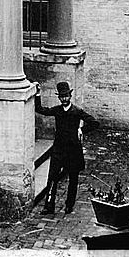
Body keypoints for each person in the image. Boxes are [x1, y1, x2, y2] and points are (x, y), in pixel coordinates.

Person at [35, 81, 95, 214]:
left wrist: (81, 130)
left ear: (70, 96)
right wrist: (38, 94)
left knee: (73, 179)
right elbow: (40, 109)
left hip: (73, 151)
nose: (64, 99)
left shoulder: (77, 111)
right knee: (51, 178)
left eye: (66, 96)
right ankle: (49, 206)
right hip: (58, 150)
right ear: (59, 97)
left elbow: (95, 123)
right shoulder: (57, 110)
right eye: (61, 97)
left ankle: (69, 205)